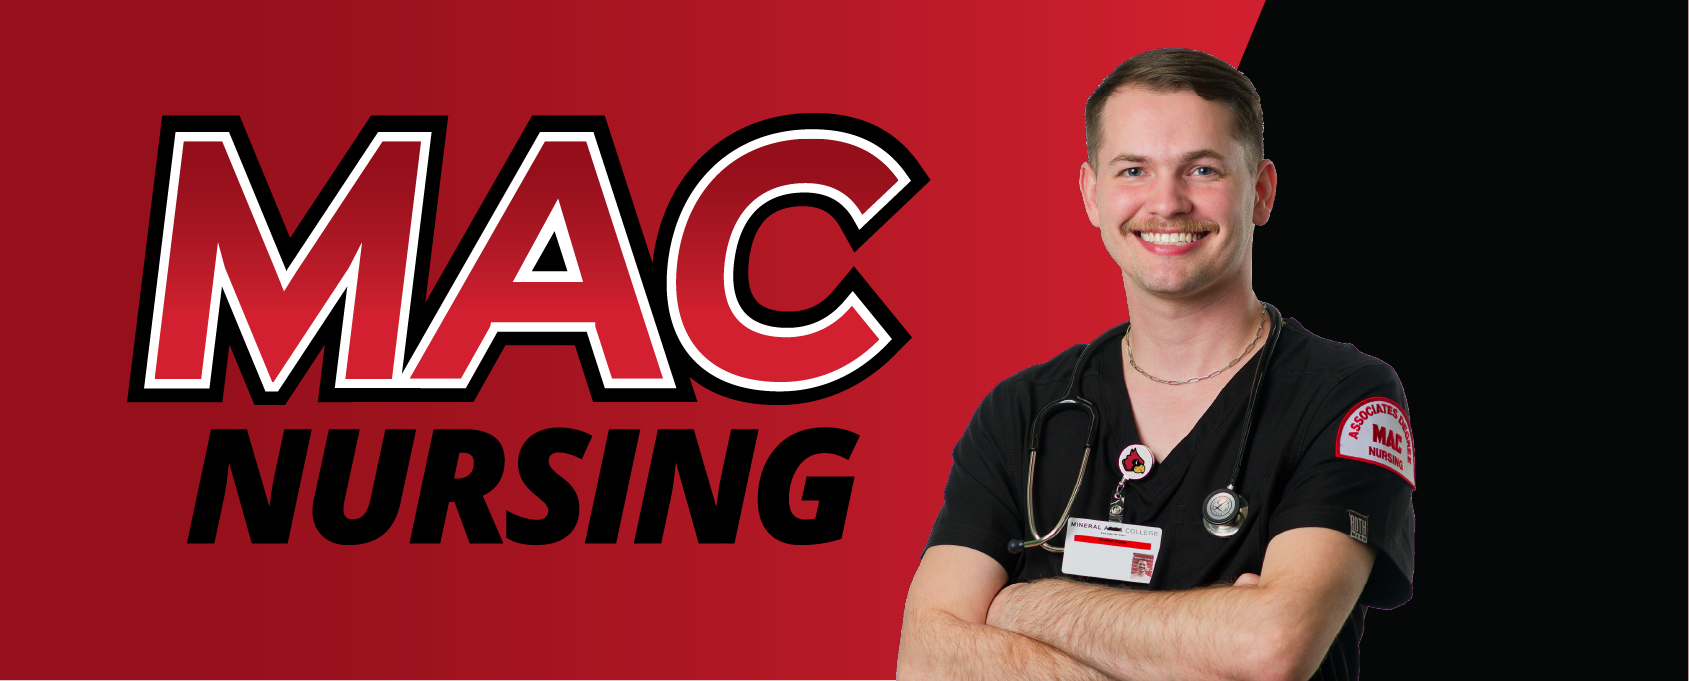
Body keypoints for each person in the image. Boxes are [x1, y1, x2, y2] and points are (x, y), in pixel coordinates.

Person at [896, 48, 1414, 681]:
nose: (1166, 203)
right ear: (1091, 194)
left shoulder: (1347, 399)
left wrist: (1021, 605)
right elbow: (925, 657)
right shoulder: (1025, 411)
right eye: (1133, 169)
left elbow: (1272, 649)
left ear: (1262, 191)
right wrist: (1205, 638)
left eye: (1201, 169)